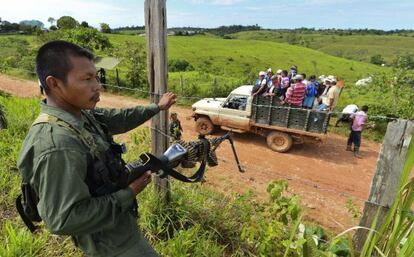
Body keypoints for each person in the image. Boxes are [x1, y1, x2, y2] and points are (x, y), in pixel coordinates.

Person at [17, 40, 177, 257]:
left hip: (117, 230)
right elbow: (63, 219)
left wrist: (157, 107)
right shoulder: (58, 145)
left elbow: (120, 118)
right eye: (87, 79)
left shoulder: (81, 115)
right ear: (54, 84)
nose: (97, 85)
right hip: (110, 246)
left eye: (96, 76)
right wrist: (129, 193)